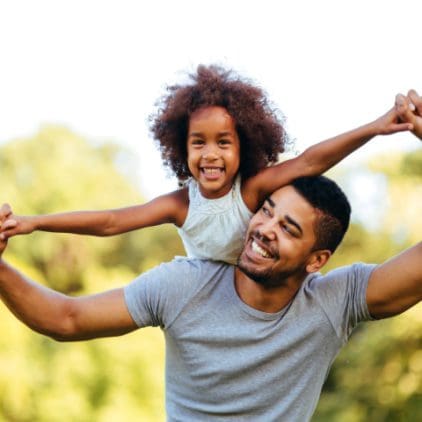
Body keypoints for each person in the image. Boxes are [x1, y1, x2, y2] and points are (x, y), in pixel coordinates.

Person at [0, 92, 420, 419]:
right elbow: (65, 317)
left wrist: (382, 128)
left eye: (288, 229)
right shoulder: (183, 284)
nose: (265, 229)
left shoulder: (332, 303)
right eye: (267, 212)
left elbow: (313, 158)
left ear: (317, 260)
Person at [0, 65, 412, 264]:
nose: (210, 154)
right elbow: (111, 221)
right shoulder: (181, 205)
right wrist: (36, 222)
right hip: (207, 303)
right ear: (182, 148)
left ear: (244, 148)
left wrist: (375, 128)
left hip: (261, 292)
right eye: (199, 143)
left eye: (224, 143)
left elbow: (310, 161)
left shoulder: (250, 192)